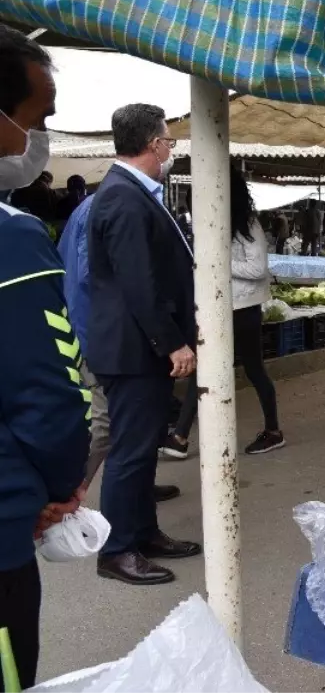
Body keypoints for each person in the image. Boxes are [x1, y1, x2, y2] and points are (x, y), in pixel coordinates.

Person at [0, 25, 91, 691]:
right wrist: (56, 488)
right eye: (37, 122)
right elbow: (52, 396)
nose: (37, 144)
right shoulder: (14, 240)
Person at [88, 103, 200, 585]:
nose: (170, 150)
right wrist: (172, 343)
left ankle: (144, 532)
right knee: (130, 454)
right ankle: (116, 550)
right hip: (133, 351)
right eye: (169, 143)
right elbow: (139, 284)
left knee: (141, 450)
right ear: (154, 145)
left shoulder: (130, 193)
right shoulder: (123, 198)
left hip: (138, 349)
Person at [58, 173, 182, 504]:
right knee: (107, 425)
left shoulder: (92, 207)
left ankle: (138, 487)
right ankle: (66, 496)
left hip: (94, 328)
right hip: (97, 334)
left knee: (130, 427)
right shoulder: (112, 205)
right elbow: (101, 280)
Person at [163, 165, 285, 460]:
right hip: (215, 306)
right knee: (204, 365)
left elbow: (257, 270)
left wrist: (215, 263)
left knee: (255, 370)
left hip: (243, 309)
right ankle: (180, 436)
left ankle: (273, 431)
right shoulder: (211, 224)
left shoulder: (248, 224)